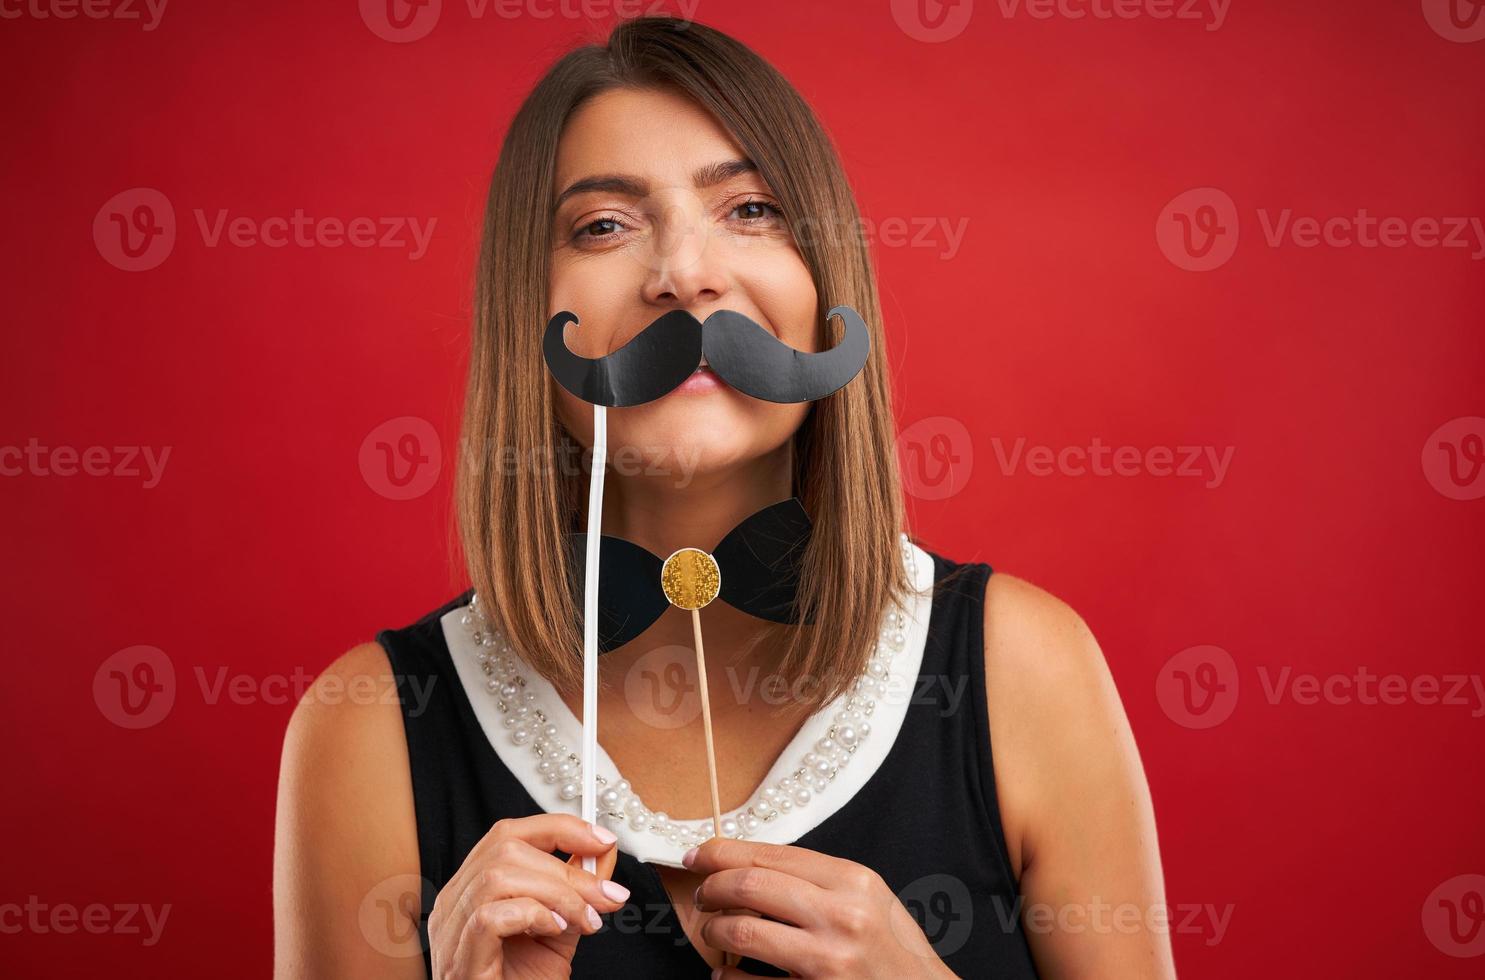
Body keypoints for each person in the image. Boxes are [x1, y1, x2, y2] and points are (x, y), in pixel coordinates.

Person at [274, 16, 1174, 979]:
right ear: (523, 305)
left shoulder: (1024, 670)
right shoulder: (366, 726)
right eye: (604, 226)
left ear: (824, 276)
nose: (685, 276)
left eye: (749, 209)